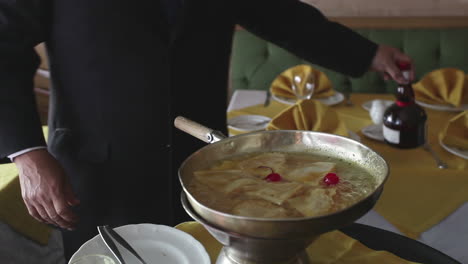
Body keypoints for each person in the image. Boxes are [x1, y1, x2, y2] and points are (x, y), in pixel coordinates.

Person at [0, 0, 413, 261]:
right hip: (99, 169)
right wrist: (27, 153)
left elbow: (279, 14)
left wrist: (368, 54)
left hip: (204, 168)